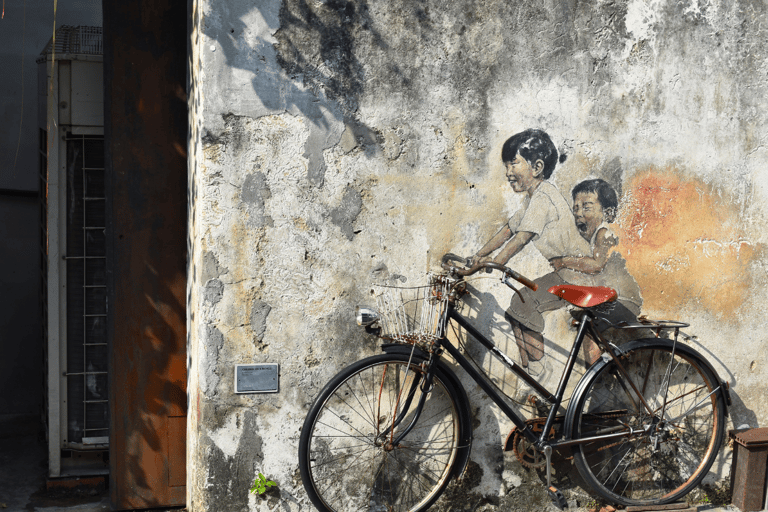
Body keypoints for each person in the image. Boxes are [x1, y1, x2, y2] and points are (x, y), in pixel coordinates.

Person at [471, 129, 590, 368]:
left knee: (526, 305)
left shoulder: (545, 197)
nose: (508, 172)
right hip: (564, 274)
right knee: (518, 306)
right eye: (506, 166)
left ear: (536, 167)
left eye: (513, 163)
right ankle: (532, 371)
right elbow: (508, 230)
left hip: (580, 276)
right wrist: (479, 255)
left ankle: (540, 372)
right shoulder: (532, 199)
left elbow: (521, 238)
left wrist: (495, 262)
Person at [550, 178, 643, 364]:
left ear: (607, 213)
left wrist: (564, 261)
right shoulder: (594, 235)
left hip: (624, 301)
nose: (578, 213)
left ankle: (597, 378)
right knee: (587, 328)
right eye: (576, 208)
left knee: (589, 331)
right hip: (611, 299)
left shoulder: (604, 233)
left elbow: (596, 264)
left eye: (586, 207)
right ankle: (598, 375)